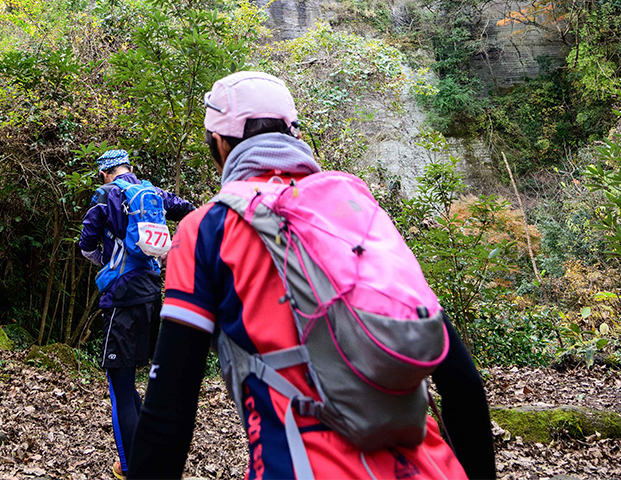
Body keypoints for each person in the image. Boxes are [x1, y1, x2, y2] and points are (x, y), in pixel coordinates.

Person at [127, 71, 497, 480]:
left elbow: (167, 416)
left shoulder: (207, 229)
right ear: (293, 133)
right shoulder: (353, 208)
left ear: (218, 144)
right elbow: (462, 383)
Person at [79, 148, 195, 480]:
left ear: (104, 173)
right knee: (126, 380)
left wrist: (106, 261)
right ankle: (152, 454)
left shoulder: (105, 195)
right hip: (151, 293)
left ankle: (131, 468)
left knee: (119, 386)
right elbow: (189, 211)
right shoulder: (153, 193)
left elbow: (87, 245)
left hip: (121, 296)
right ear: (130, 168)